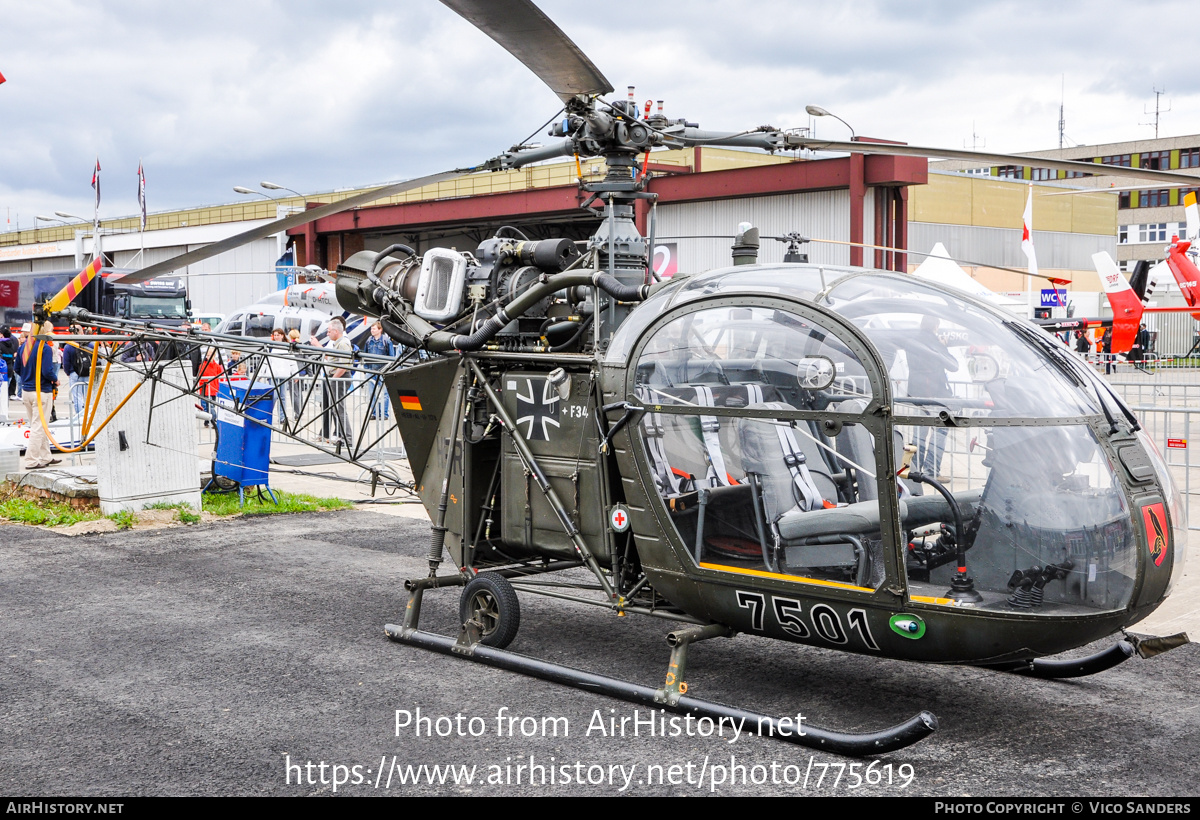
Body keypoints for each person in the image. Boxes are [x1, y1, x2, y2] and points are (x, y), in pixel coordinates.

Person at [906, 315, 958, 479]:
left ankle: (910, 469)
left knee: (917, 434)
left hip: (916, 393)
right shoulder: (934, 342)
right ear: (936, 325)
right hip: (935, 394)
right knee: (941, 431)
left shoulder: (911, 341)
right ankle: (931, 471)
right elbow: (953, 365)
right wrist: (943, 346)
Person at [17, 321, 60, 469]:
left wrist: (26, 378)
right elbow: (47, 371)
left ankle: (46, 456)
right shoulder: (44, 348)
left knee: (37, 425)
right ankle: (31, 460)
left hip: (26, 391)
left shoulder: (24, 346)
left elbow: (17, 368)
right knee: (39, 427)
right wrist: (56, 379)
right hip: (41, 391)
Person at [311, 317, 353, 446]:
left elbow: (345, 364)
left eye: (329, 331)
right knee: (336, 409)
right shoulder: (338, 343)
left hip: (339, 378)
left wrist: (334, 378)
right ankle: (343, 437)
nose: (327, 333)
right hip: (336, 378)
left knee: (339, 409)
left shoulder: (343, 343)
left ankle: (347, 438)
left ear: (336, 331)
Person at [363, 320, 395, 420]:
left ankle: (384, 414)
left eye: (374, 329)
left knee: (385, 393)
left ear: (380, 330)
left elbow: (391, 356)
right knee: (372, 393)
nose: (372, 330)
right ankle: (374, 412)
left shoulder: (386, 341)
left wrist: (388, 370)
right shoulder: (369, 341)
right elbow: (365, 355)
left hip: (383, 371)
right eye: (371, 329)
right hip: (371, 370)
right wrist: (366, 369)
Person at [0, 327, 17, 399]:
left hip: (1, 370)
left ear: (2, 335)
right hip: (9, 369)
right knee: (5, 392)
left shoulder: (0, 344)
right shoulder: (12, 345)